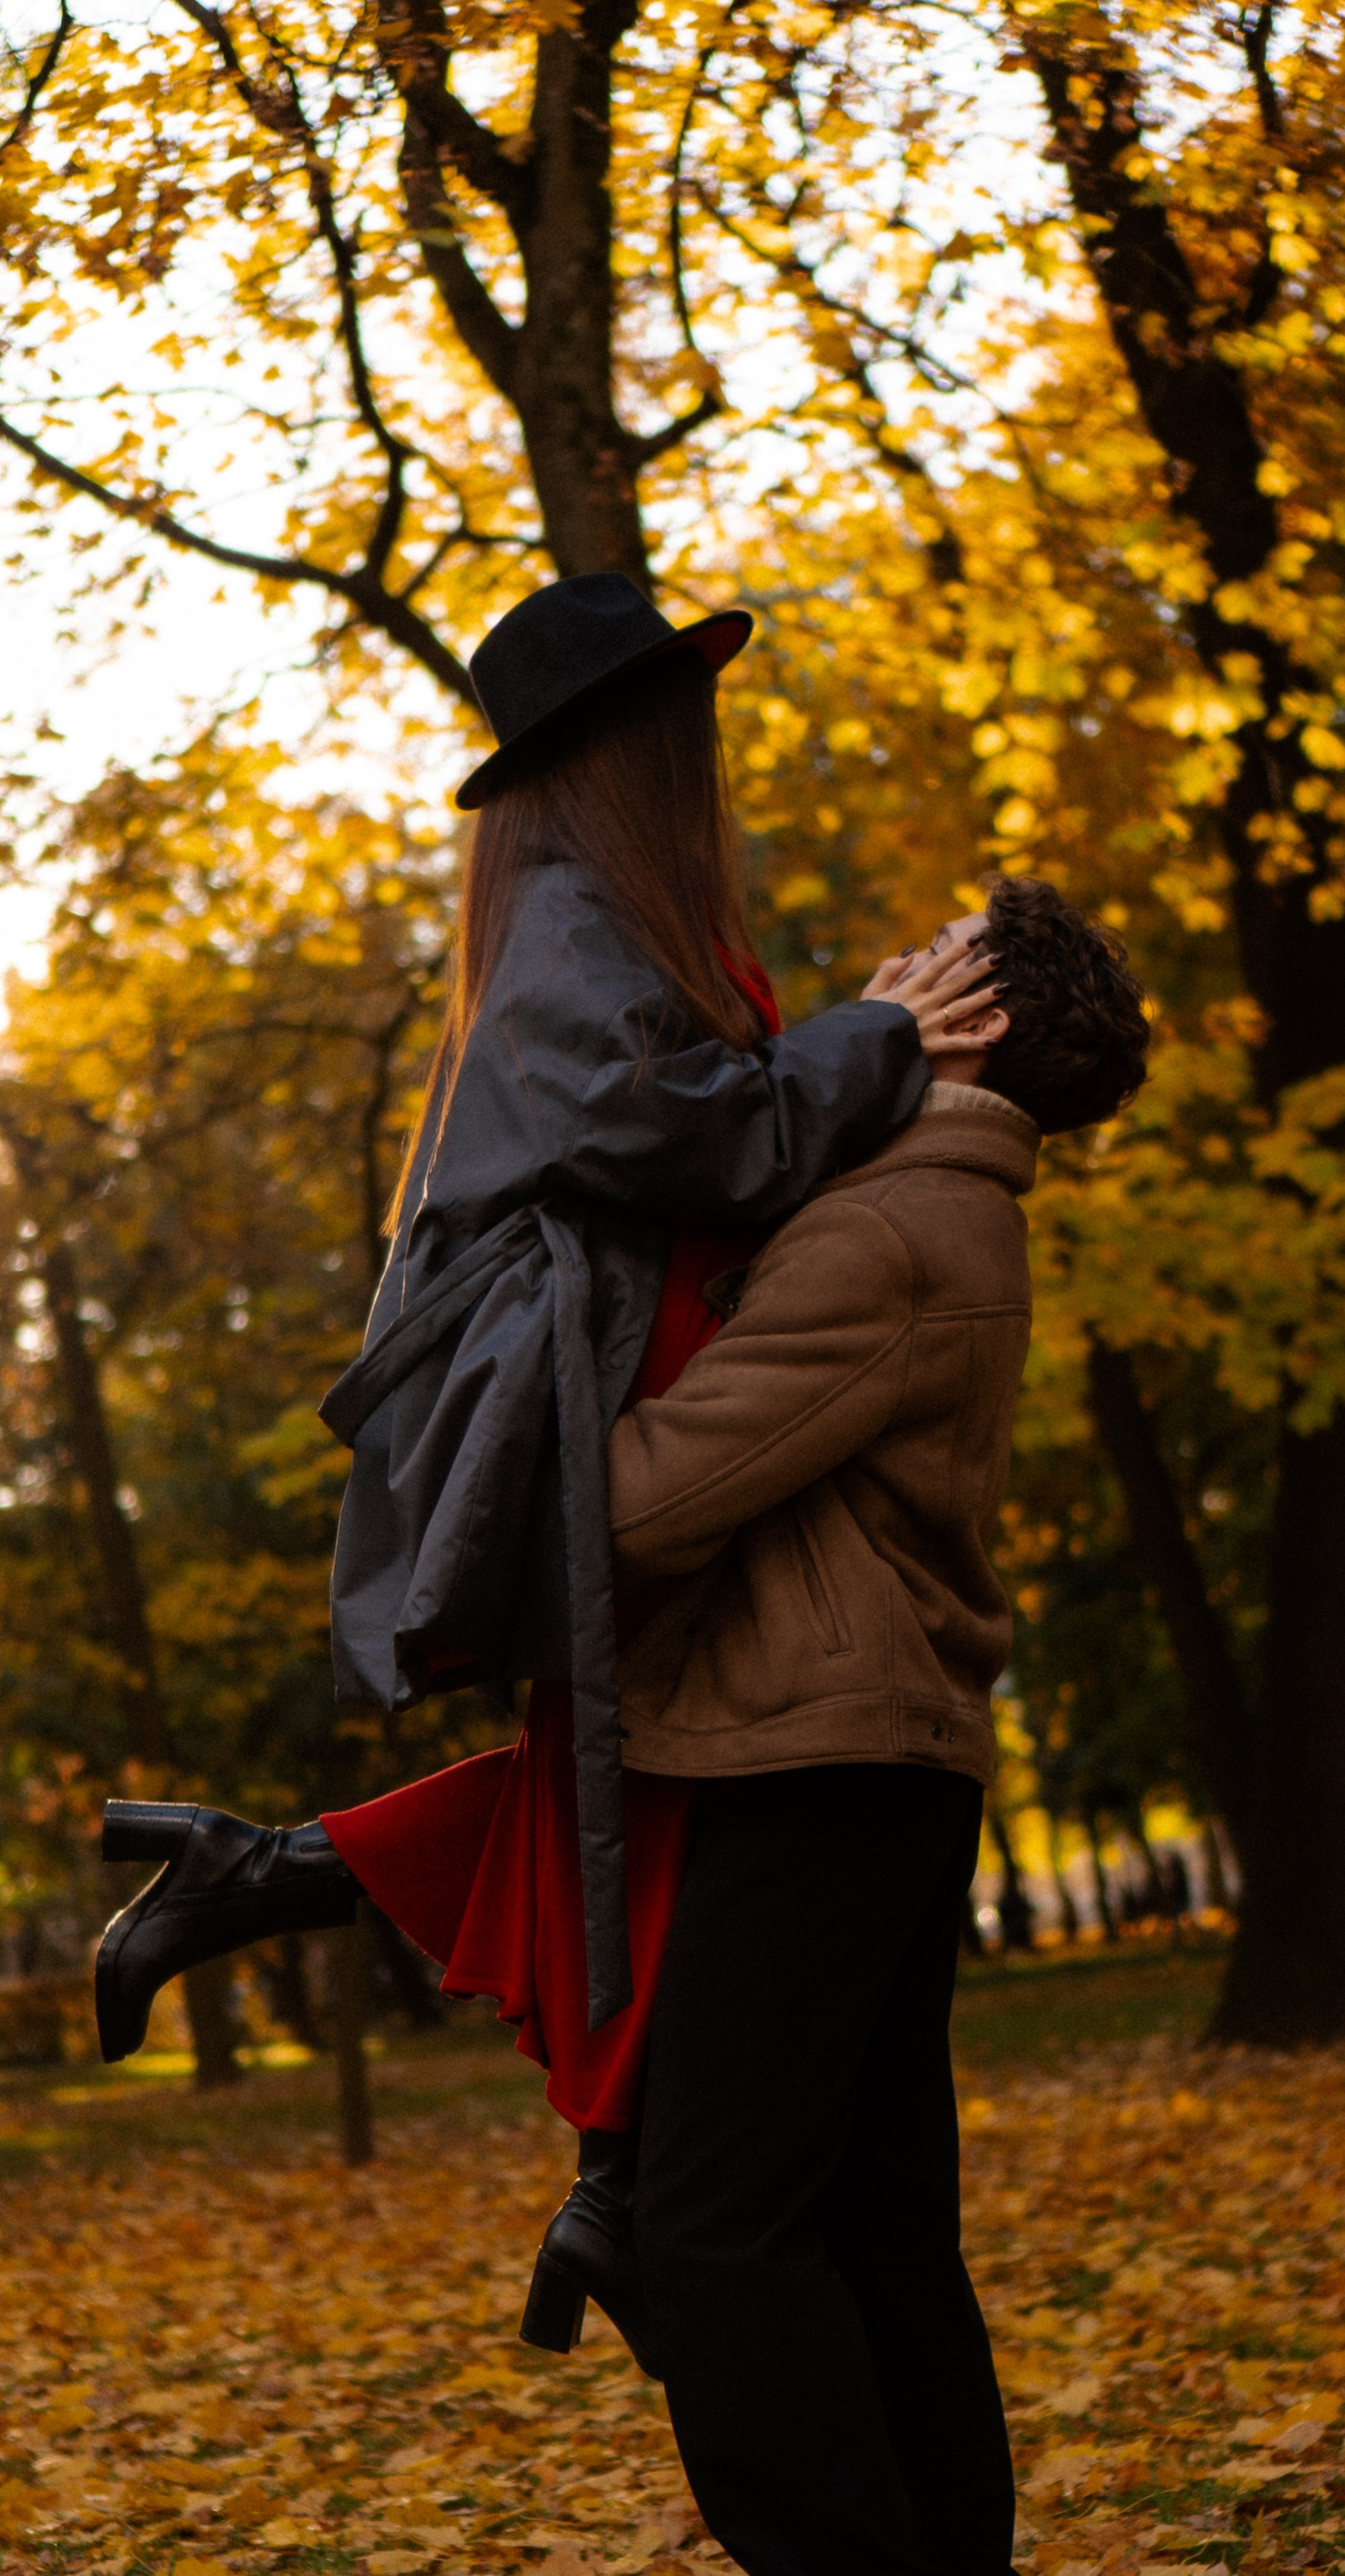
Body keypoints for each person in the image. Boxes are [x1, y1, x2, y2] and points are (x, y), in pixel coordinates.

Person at [90, 573, 1001, 2360]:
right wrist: (879, 1035)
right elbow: (683, 1134)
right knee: (669, 1756)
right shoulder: (581, 915)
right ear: (622, 750)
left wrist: (851, 1043)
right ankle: (595, 2153)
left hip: (624, 1367)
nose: (707, 750)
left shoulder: (603, 916)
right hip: (610, 1387)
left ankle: (323, 1920)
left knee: (653, 1765)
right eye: (683, 718)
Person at [584, 871, 1150, 2576]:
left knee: (703, 2231)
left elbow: (655, 1498)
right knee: (881, 2237)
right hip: (878, 1760)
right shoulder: (939, 1208)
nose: (872, 981)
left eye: (921, 965)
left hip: (813, 1761)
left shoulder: (890, 1230)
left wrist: (505, 1429)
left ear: (975, 1025)